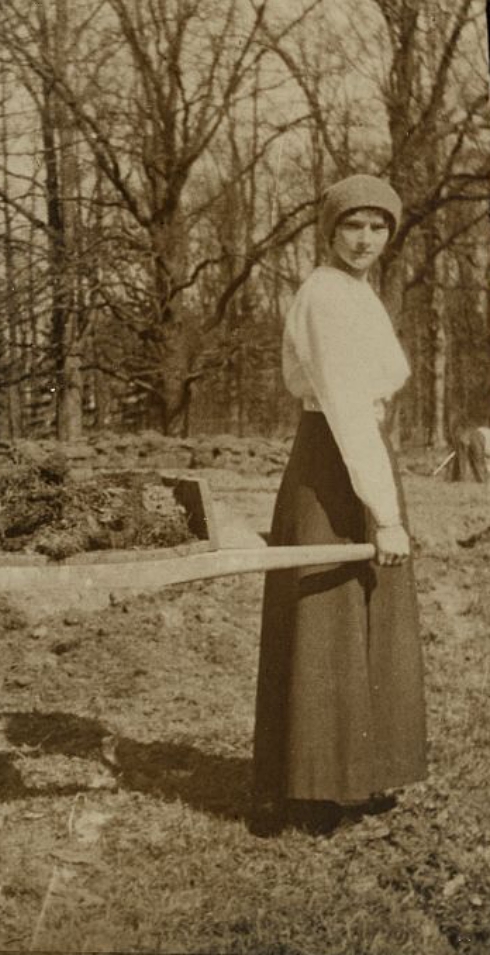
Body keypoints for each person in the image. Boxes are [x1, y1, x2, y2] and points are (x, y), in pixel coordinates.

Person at [252, 174, 427, 834]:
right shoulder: (325, 296)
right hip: (333, 464)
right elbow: (348, 408)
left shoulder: (358, 293)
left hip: (357, 456)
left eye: (378, 226)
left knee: (367, 611)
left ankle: (359, 773)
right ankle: (313, 789)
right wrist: (384, 513)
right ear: (328, 232)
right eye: (352, 225)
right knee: (326, 619)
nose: (365, 238)